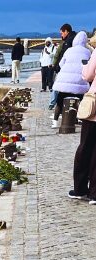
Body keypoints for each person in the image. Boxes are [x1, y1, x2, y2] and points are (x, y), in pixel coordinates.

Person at [70, 32, 96, 204]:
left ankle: (80, 189)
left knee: (85, 146)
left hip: (94, 109)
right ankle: (95, 193)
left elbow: (87, 75)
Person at [52, 30, 91, 128]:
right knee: (81, 101)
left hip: (65, 82)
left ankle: (55, 121)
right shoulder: (87, 52)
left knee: (60, 101)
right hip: (79, 82)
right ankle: (79, 118)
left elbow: (61, 64)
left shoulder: (69, 50)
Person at [50, 24, 77, 110]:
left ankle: (57, 106)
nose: (61, 35)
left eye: (62, 33)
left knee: (58, 87)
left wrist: (57, 67)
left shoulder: (68, 42)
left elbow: (63, 57)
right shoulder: (72, 40)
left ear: (66, 31)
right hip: (71, 70)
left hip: (65, 70)